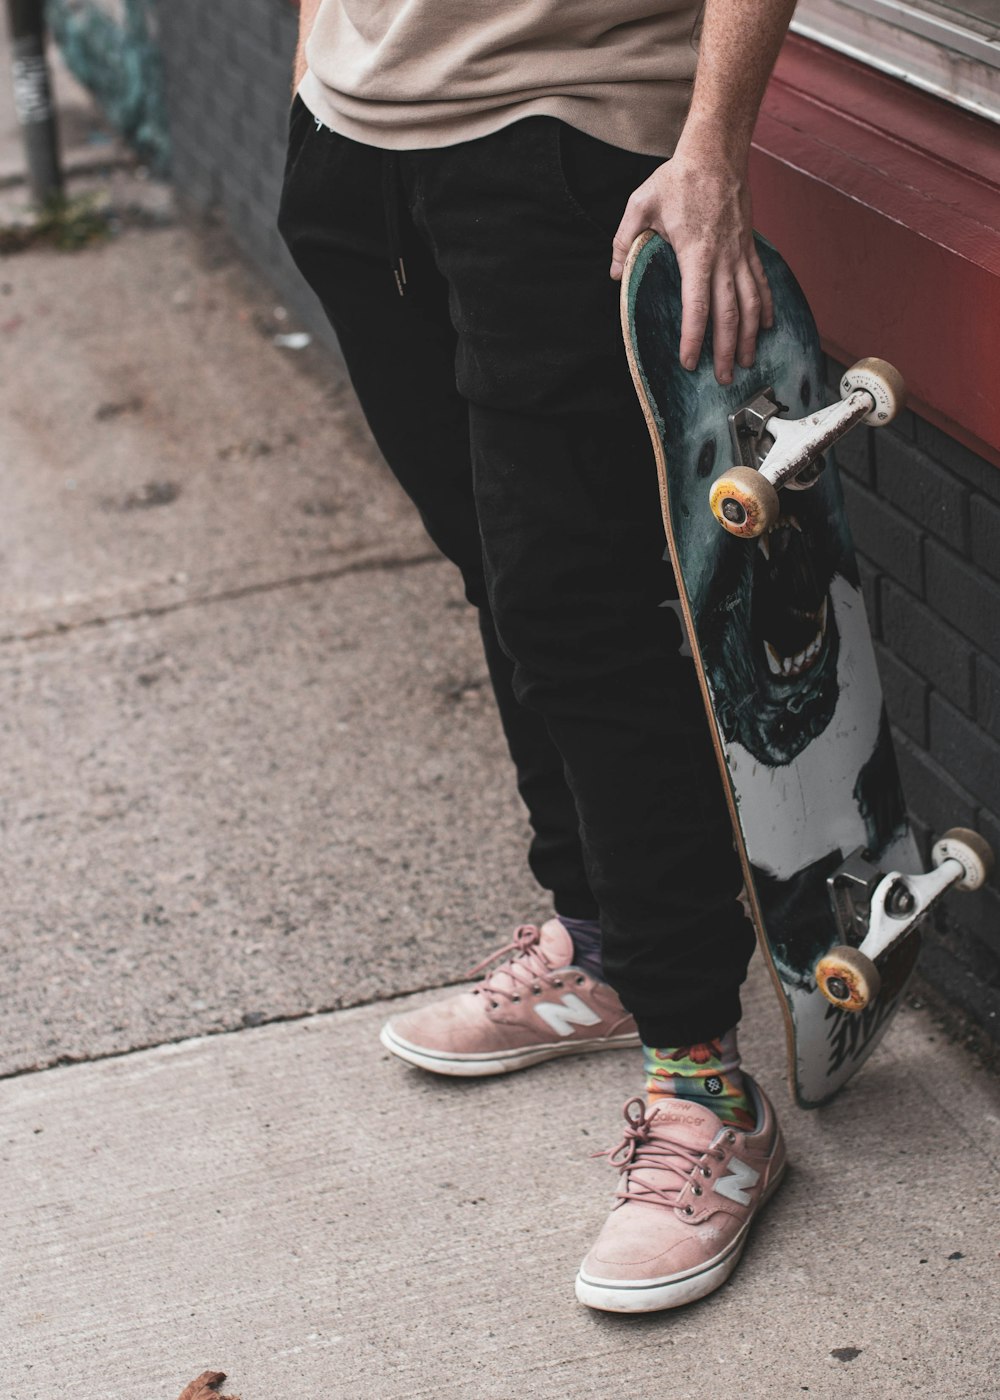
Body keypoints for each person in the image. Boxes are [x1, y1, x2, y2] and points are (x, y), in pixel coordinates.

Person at [278, 0, 796, 1313]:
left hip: (559, 130)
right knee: (500, 576)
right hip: (352, 136)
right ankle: (604, 936)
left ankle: (703, 1084)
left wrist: (713, 150)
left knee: (581, 607)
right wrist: (317, 60)